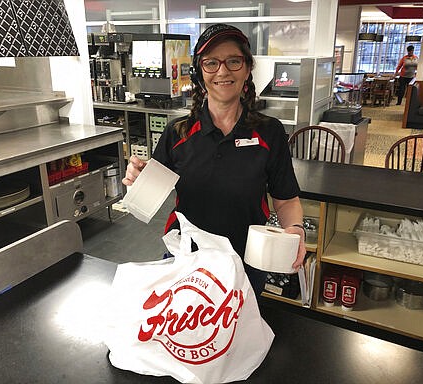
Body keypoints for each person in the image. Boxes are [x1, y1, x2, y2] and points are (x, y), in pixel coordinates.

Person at [122, 24, 306, 296]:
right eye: (211, 63)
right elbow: (144, 201)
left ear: (247, 68)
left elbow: (286, 199)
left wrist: (296, 229)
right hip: (187, 258)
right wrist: (137, 181)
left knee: (238, 334)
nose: (223, 71)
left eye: (233, 61)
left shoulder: (269, 132)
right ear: (199, 73)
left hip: (246, 261)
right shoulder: (178, 132)